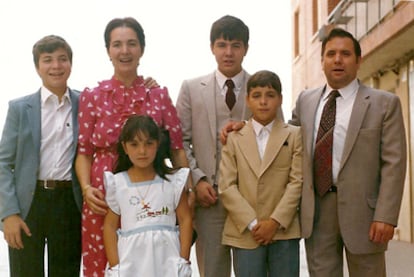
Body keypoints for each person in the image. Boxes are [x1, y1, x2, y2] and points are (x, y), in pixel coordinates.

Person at [76, 17, 193, 277]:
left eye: (132, 43)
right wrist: (86, 189)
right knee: (104, 265)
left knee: (154, 262)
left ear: (142, 49)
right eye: (117, 44)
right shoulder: (92, 97)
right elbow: (83, 151)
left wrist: (187, 188)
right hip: (103, 197)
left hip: (153, 196)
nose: (125, 51)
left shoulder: (158, 95)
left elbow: (176, 148)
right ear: (108, 51)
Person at [289, 28, 407, 276]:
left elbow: (394, 164)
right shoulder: (306, 101)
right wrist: (243, 128)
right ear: (322, 61)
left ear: (358, 60)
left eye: (345, 53)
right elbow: (285, 142)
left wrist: (386, 215)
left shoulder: (383, 103)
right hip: (317, 212)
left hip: (366, 214)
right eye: (331, 54)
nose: (337, 59)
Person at [0, 35, 82, 276]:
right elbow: (3, 163)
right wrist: (8, 214)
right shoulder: (19, 108)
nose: (56, 66)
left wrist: (147, 86)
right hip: (29, 204)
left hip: (69, 203)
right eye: (48, 60)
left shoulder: (85, 102)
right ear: (37, 67)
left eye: (62, 59)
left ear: (70, 64)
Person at [219, 70, 302, 277]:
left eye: (270, 95)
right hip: (246, 232)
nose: (263, 102)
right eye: (256, 96)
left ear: (280, 99)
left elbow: (296, 182)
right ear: (247, 100)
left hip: (283, 230)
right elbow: (227, 186)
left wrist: (274, 222)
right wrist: (254, 224)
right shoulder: (234, 138)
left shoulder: (293, 135)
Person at [103, 115, 192, 277]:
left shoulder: (173, 181)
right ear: (124, 147)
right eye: (134, 144)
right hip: (131, 263)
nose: (142, 151)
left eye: (149, 144)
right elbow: (109, 226)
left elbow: (185, 219)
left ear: (157, 144)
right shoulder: (118, 183)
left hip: (167, 260)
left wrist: (183, 260)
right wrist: (115, 265)